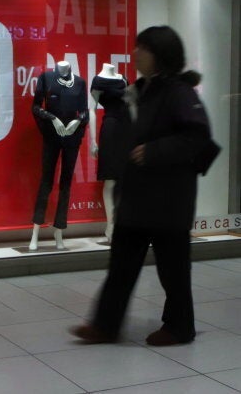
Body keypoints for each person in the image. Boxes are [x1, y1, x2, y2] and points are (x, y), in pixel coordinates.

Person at [70, 25, 215, 346]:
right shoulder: (143, 91)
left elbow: (196, 137)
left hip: (168, 199)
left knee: (173, 270)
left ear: (160, 54)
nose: (135, 53)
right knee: (121, 265)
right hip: (139, 197)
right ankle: (105, 325)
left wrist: (154, 151)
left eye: (143, 48)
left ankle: (179, 327)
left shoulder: (179, 92)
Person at [29, 61, 88, 251]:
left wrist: (77, 122)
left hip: (71, 137)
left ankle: (59, 230)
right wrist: (52, 118)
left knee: (66, 183)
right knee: (46, 181)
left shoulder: (79, 82)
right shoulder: (46, 78)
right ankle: (35, 232)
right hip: (52, 136)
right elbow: (36, 107)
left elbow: (85, 111)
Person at [88, 63, 129, 244]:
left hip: (126, 129)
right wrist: (93, 140)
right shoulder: (98, 80)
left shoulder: (123, 79)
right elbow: (92, 110)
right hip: (111, 127)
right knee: (110, 178)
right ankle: (110, 224)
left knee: (124, 178)